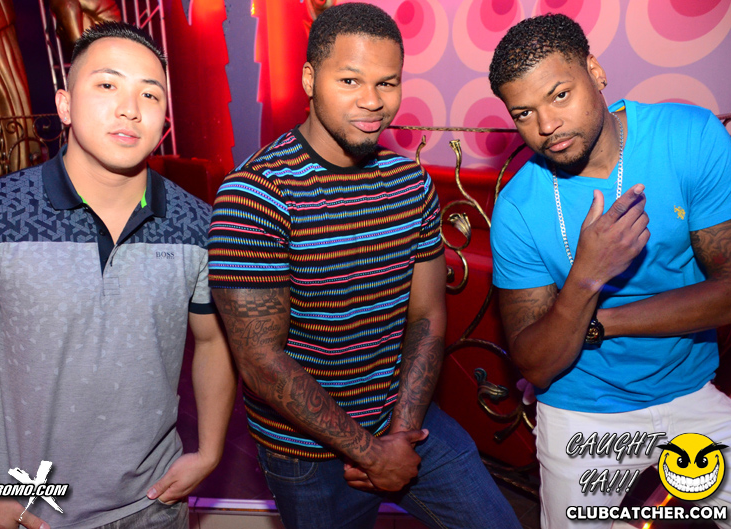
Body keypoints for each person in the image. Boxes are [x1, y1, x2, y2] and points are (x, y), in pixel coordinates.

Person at [208, 3, 521, 529]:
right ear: (310, 79)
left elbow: (426, 316)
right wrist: (371, 454)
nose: (372, 101)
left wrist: (400, 436)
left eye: (387, 83)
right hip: (305, 451)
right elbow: (261, 361)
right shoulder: (256, 194)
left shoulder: (410, 184)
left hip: (405, 422)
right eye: (350, 80)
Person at [0, 22, 236, 529]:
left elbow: (213, 342)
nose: (130, 108)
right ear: (65, 104)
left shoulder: (198, 225)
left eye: (150, 94)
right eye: (107, 84)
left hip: (154, 507)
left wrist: (210, 451)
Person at [488, 13, 731, 528]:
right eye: (524, 113)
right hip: (582, 411)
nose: (547, 126)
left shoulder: (689, 138)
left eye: (560, 95)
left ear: (595, 71)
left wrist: (601, 323)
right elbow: (536, 365)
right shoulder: (517, 206)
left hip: (692, 393)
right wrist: (587, 276)